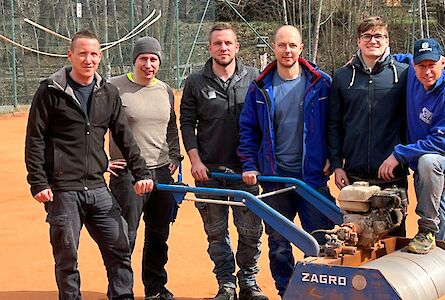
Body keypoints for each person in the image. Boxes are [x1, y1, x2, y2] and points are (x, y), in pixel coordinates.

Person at [24, 29, 154, 300]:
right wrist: (38, 181)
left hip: (97, 187)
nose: (88, 59)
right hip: (63, 190)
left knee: (119, 247)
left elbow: (124, 137)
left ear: (100, 57)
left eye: (94, 53)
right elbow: (35, 138)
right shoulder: (50, 91)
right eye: (82, 53)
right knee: (67, 256)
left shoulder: (108, 92)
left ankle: (121, 296)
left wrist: (140, 172)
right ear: (70, 55)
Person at [237, 25, 335, 297]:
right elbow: (248, 128)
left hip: (312, 179)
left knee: (322, 239)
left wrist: (335, 157)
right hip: (275, 180)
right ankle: (287, 292)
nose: (287, 50)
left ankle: (323, 293)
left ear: (301, 48)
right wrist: (249, 164)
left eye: (292, 45)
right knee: (279, 243)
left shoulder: (321, 83)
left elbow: (335, 125)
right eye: (282, 45)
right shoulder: (260, 87)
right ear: (274, 48)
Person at [179, 23, 268, 300]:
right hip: (209, 173)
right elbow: (186, 124)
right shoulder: (195, 82)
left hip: (246, 173)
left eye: (228, 43)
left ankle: (249, 282)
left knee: (251, 232)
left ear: (237, 47)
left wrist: (258, 163)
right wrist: (195, 161)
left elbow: (265, 123)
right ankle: (226, 284)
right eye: (218, 43)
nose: (223, 48)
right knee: (216, 234)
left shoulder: (254, 77)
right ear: (210, 48)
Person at [379, 38, 445, 264]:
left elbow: (444, 144)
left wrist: (399, 154)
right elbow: (395, 57)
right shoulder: (412, 73)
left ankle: (426, 229)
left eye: (432, 65)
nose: (427, 71)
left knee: (429, 163)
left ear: (443, 62)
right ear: (414, 65)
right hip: (427, 170)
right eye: (421, 65)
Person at [106, 36, 180, 300]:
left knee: (159, 234)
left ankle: (155, 288)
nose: (148, 64)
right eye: (144, 59)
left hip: (161, 171)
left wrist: (176, 156)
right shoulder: (113, 87)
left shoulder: (165, 90)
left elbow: (172, 127)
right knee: (126, 235)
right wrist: (104, 161)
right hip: (127, 173)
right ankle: (121, 290)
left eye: (153, 59)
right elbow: (91, 126)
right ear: (134, 60)